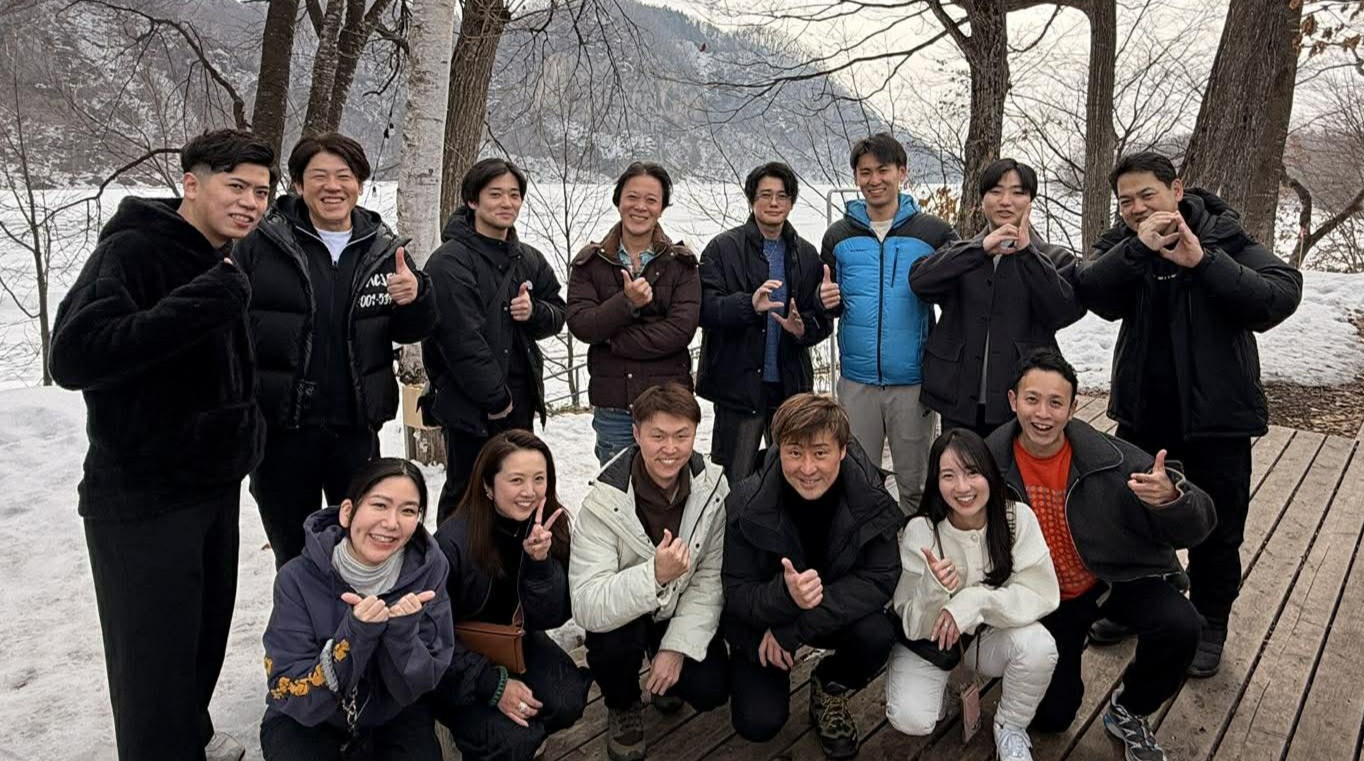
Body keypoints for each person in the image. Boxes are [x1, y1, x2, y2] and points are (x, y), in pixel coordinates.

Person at [49, 129, 274, 761]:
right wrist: (204, 301)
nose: (250, 203)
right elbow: (75, 355)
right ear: (191, 184)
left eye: (261, 192)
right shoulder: (133, 251)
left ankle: (189, 736)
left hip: (209, 483)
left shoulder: (218, 255)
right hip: (143, 494)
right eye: (236, 186)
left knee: (199, 640)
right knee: (152, 661)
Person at [1075, 152, 1303, 678]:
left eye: (1147, 195)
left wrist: (1204, 262)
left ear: (1176, 190)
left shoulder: (1224, 236)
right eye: (1126, 201)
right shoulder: (1125, 244)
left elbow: (1279, 296)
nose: (1136, 207)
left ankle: (1209, 620)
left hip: (1218, 417)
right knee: (1133, 516)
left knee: (1218, 526)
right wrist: (1137, 249)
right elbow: (1090, 290)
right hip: (1143, 413)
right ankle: (1137, 604)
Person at [986, 349, 1215, 761]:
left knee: (1180, 625)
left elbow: (1200, 525)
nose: (1043, 414)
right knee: (1053, 717)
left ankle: (1130, 708)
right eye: (1032, 399)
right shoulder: (988, 462)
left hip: (1111, 578)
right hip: (1044, 597)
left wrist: (1172, 498)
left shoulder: (1112, 458)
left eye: (1056, 402)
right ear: (1012, 401)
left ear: (1073, 407)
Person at [236, 132, 437, 568]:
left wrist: (417, 296)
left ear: (359, 184)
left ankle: (356, 615)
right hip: (281, 431)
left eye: (344, 176)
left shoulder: (383, 249)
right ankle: (301, 615)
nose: (332, 186)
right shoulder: (260, 243)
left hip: (355, 429)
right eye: (319, 176)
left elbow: (413, 329)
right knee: (295, 554)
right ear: (298, 184)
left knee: (360, 547)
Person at [722, 393, 901, 759]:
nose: (807, 468)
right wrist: (784, 596)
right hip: (765, 619)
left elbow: (881, 576)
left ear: (842, 450)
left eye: (820, 453)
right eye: (794, 452)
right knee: (758, 721)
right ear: (778, 449)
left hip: (825, 614)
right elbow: (736, 592)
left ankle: (829, 685)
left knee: (877, 634)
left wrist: (794, 627)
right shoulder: (747, 502)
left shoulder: (869, 496)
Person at [569, 383, 730, 761]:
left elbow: (709, 579)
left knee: (711, 689)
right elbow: (587, 603)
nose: (670, 448)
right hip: (627, 616)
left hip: (679, 608)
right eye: (657, 436)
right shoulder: (603, 502)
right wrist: (654, 575)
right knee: (611, 645)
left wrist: (676, 647)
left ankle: (665, 668)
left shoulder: (712, 489)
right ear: (637, 433)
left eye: (681, 436)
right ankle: (623, 703)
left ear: (695, 433)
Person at [260, 458, 453, 760]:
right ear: (348, 512)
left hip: (393, 714)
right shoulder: (297, 578)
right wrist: (354, 636)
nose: (391, 523)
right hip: (308, 719)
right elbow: (290, 690)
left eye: (408, 511)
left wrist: (402, 635)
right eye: (379, 505)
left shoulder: (428, 571)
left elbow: (422, 684)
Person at [885, 429, 1059, 761]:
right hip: (929, 645)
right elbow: (911, 622)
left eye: (972, 472)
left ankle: (1011, 726)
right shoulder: (921, 530)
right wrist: (934, 588)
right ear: (936, 482)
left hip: (987, 639)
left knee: (1039, 647)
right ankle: (944, 687)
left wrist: (975, 601)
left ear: (989, 473)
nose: (962, 487)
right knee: (912, 719)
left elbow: (1041, 591)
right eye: (948, 476)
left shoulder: (1016, 518)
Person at [428, 430, 591, 760]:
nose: (529, 491)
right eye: (516, 480)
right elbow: (430, 636)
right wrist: (493, 685)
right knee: (512, 740)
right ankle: (485, 739)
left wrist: (540, 566)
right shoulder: (452, 542)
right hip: (454, 661)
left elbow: (552, 617)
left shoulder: (547, 526)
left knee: (567, 699)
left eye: (539, 479)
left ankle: (523, 736)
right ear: (488, 485)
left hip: (515, 643)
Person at [421, 157, 567, 522]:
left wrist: (534, 312)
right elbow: (460, 340)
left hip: (519, 400)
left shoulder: (528, 258)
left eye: (514, 195)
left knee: (517, 492)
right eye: (495, 194)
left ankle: (515, 556)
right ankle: (455, 557)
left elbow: (558, 312)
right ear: (473, 200)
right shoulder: (449, 262)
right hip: (470, 405)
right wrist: (497, 400)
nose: (507, 203)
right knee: (468, 492)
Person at [820, 132, 957, 514]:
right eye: (865, 172)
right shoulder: (838, 235)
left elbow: (957, 296)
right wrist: (823, 301)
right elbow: (828, 300)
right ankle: (867, 545)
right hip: (857, 381)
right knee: (857, 480)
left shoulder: (933, 233)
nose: (874, 180)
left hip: (912, 382)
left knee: (916, 482)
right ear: (856, 177)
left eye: (883, 170)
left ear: (902, 172)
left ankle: (917, 544)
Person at [909, 159, 1084, 438]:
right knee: (960, 464)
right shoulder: (960, 253)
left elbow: (1062, 311)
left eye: (1017, 192)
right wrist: (980, 249)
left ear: (1030, 201)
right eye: (995, 191)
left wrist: (1027, 254)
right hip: (957, 396)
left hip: (1022, 402)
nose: (1005, 201)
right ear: (982, 200)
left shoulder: (1054, 258)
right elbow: (920, 282)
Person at [697, 162, 834, 483]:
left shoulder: (805, 254)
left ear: (791, 202)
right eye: (765, 195)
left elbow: (822, 320)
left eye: (782, 196)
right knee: (733, 481)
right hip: (738, 389)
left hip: (790, 389)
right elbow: (705, 309)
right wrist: (748, 305)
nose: (774, 203)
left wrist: (803, 329)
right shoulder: (722, 249)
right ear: (751, 200)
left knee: (792, 480)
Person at [566, 162, 701, 465]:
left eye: (651, 200)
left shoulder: (681, 264)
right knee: (615, 487)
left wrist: (612, 338)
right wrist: (626, 302)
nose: (640, 207)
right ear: (618, 201)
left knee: (668, 485)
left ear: (662, 207)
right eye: (632, 197)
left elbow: (680, 331)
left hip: (670, 403)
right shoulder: (590, 263)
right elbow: (582, 324)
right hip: (613, 404)